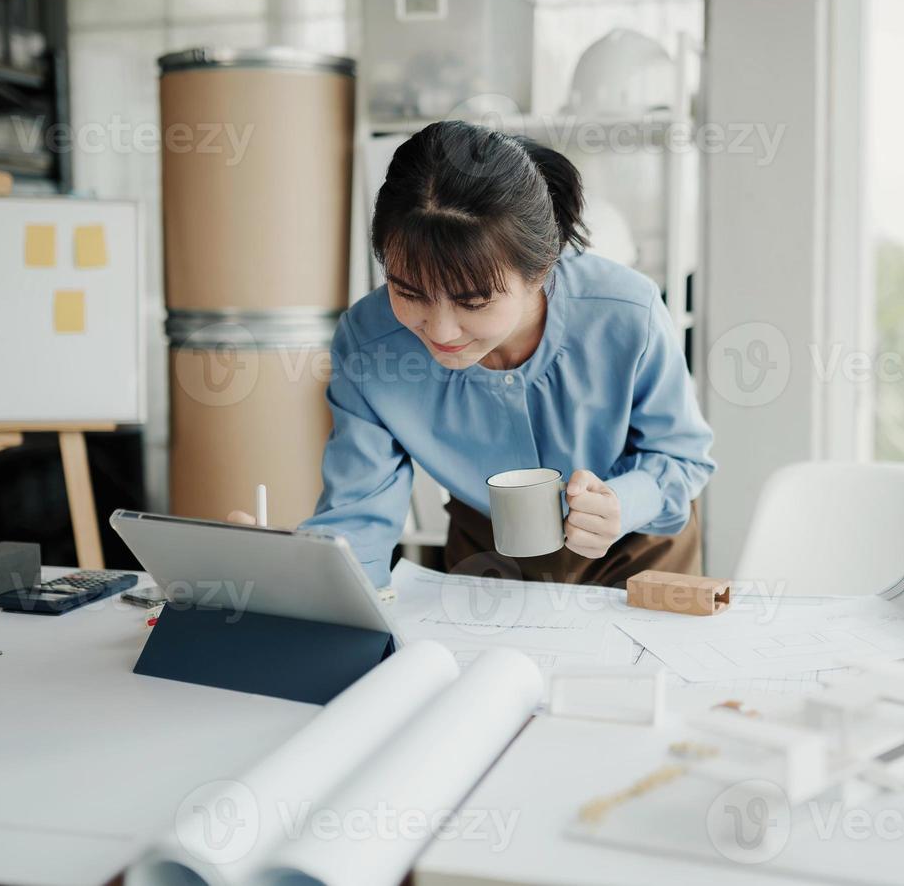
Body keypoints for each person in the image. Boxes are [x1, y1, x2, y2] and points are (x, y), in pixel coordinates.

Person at [235, 120, 714, 588]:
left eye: (474, 301)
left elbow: (683, 457)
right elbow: (361, 514)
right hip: (487, 557)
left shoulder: (627, 312)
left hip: (636, 549)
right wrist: (296, 575)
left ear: (542, 267)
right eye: (409, 292)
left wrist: (622, 503)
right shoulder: (368, 342)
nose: (440, 330)